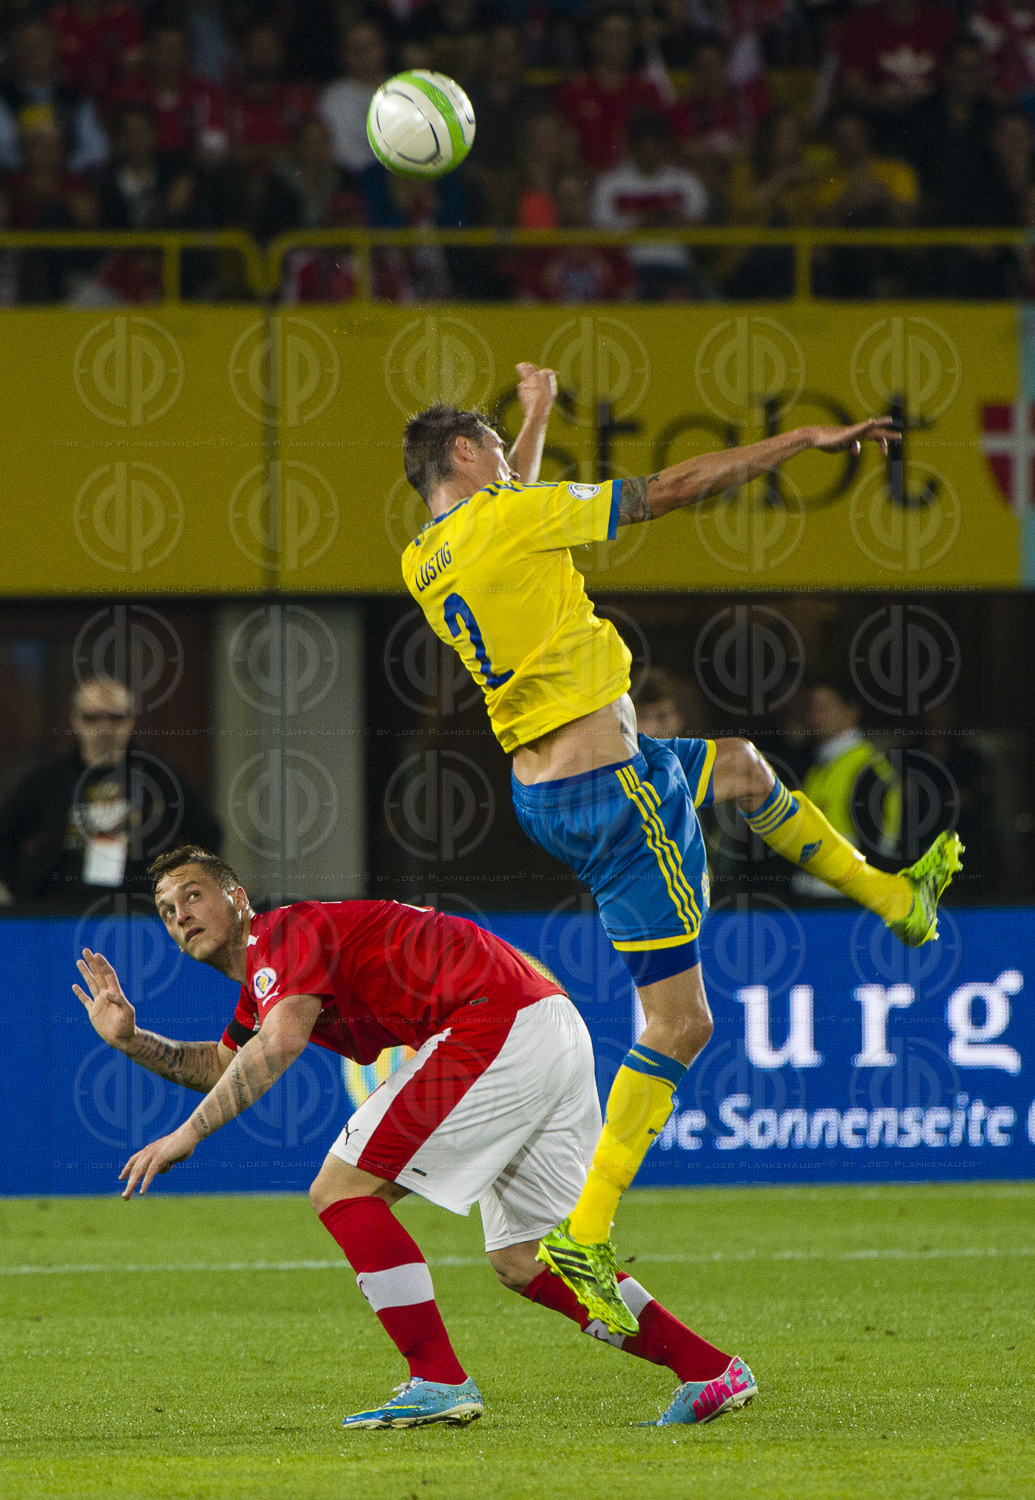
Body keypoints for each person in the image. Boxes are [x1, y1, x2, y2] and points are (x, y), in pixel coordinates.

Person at [400, 364, 963, 1335]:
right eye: (494, 445)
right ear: (464, 453)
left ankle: (893, 899)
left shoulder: (427, 556)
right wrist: (798, 443)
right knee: (681, 1025)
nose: (511, 463)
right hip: (613, 791)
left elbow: (514, 503)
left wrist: (531, 414)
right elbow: (674, 489)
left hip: (553, 791)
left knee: (740, 765)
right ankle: (586, 1226)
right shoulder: (509, 519)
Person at [74, 844, 757, 1430]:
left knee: (341, 1190)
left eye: (193, 895)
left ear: (237, 897)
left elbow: (276, 1045)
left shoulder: (283, 932)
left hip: (493, 1021)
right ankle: (709, 1372)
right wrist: (131, 1040)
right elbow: (223, 1065)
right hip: (543, 1024)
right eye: (167, 911)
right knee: (525, 1257)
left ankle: (438, 1380)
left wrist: (184, 1136)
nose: (181, 915)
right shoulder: (267, 978)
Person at [0, 676, 222, 912]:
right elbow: (6, 833)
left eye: (115, 718)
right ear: (75, 720)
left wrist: (181, 887)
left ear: (131, 720)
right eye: (92, 718)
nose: (104, 729)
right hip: (59, 907)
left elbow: (208, 832)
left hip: (142, 907)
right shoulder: (48, 780)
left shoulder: (160, 778)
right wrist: (22, 889)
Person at [791, 680, 903, 901]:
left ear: (852, 712)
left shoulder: (869, 769)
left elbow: (881, 849)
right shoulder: (818, 767)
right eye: (812, 707)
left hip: (851, 903)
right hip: (813, 895)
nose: (816, 715)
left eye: (825, 707)